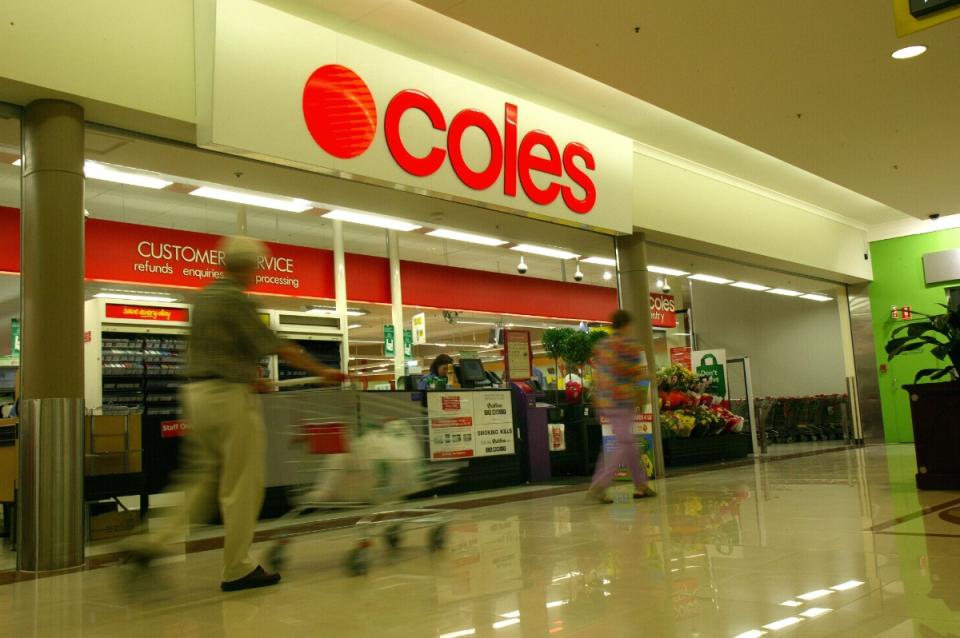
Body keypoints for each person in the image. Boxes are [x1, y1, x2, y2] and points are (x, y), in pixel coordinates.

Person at [125, 235, 346, 591]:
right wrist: (323, 371)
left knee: (199, 478)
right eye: (255, 268)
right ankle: (238, 567)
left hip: (197, 395)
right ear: (246, 267)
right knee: (242, 484)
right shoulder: (235, 299)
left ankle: (150, 542)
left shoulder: (205, 299)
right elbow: (277, 346)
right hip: (228, 399)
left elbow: (223, 350)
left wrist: (249, 376)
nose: (256, 274)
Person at [586, 310, 657, 503]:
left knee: (628, 443)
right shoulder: (629, 346)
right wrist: (649, 377)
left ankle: (641, 485)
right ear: (626, 325)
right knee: (624, 443)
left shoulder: (602, 345)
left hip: (604, 400)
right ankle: (600, 484)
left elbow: (599, 373)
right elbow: (634, 373)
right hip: (621, 401)